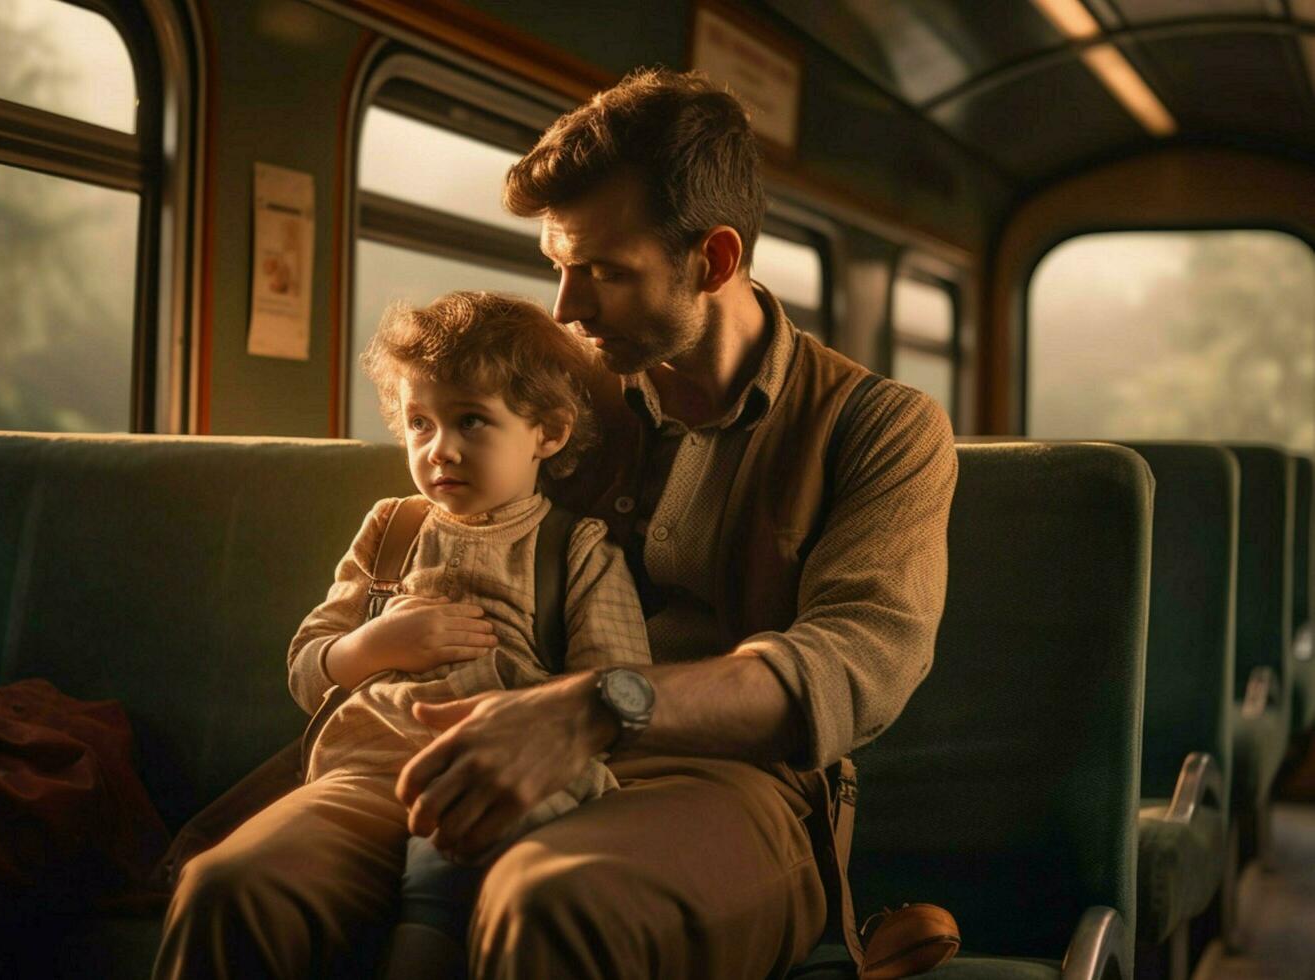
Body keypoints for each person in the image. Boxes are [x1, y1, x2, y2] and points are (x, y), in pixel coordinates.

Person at [156, 67, 957, 979]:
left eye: (605, 273)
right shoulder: (556, 386)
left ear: (716, 260)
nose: (568, 308)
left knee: (547, 903)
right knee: (234, 889)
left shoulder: (882, 428)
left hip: (730, 783)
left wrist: (597, 709)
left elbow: (855, 663)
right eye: (559, 267)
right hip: (463, 738)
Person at [153, 291, 650, 979]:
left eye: (471, 421)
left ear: (548, 433)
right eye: (419, 423)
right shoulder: (393, 530)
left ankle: (430, 925)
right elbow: (307, 667)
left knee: (439, 904)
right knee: (224, 884)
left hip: (502, 772)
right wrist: (378, 644)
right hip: (365, 768)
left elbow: (614, 695)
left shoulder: (576, 549)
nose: (439, 449)